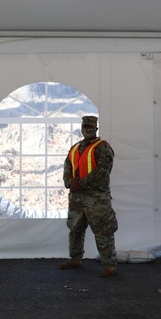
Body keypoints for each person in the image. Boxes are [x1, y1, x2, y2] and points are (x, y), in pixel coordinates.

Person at [59, 115, 119, 277]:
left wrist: (81, 184)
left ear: (96, 128)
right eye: (85, 126)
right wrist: (68, 181)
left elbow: (102, 171)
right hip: (77, 197)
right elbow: (67, 166)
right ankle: (75, 258)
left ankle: (109, 265)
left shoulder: (103, 148)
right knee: (75, 229)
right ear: (82, 128)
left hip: (97, 198)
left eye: (90, 127)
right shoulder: (75, 148)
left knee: (103, 230)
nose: (87, 129)